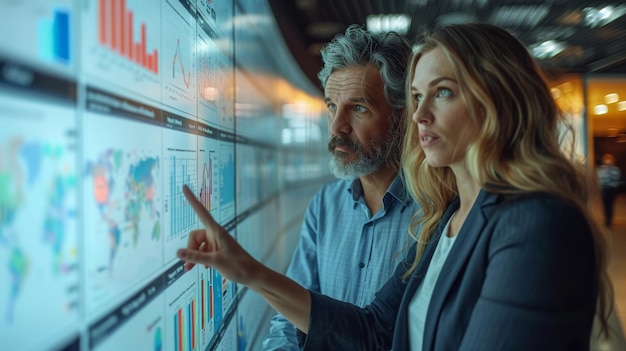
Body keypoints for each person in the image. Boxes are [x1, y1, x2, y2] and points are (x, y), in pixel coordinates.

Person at [177, 23, 613, 350]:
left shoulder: (533, 223)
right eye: (419, 95)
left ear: (496, 99)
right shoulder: (451, 219)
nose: (423, 114)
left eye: (442, 92)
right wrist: (249, 272)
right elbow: (373, 329)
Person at [261, 25, 420, 350]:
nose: (336, 126)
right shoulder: (325, 205)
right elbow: (289, 319)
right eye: (332, 106)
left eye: (358, 108)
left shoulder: (435, 211)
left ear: (402, 118)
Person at [597, 153, 621, 227]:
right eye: (606, 160)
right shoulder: (600, 169)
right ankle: (607, 218)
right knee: (604, 205)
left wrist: (609, 169)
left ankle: (609, 220)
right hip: (603, 189)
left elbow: (616, 177)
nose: (608, 161)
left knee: (610, 205)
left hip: (612, 189)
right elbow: (599, 178)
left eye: (609, 160)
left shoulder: (615, 169)